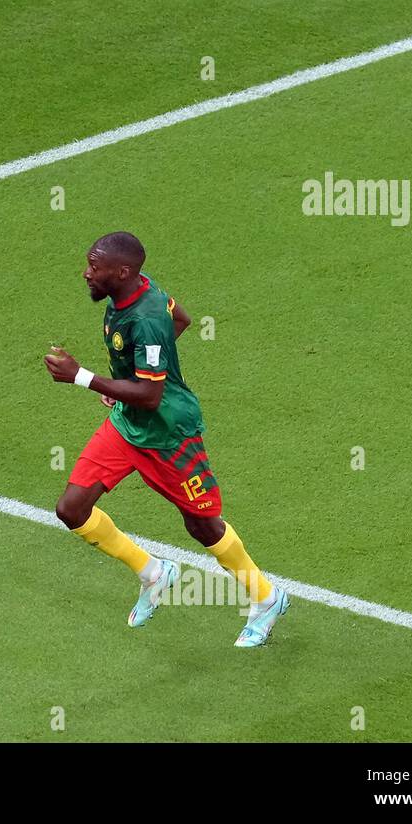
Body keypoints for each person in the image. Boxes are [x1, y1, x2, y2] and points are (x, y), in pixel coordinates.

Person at [44, 231, 288, 647]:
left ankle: (267, 598)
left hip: (169, 435)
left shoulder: (145, 317)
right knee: (72, 508)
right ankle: (153, 572)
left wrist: (82, 377)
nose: (86, 273)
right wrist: (124, 381)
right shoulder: (139, 288)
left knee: (202, 525)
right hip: (127, 426)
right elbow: (183, 319)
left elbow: (152, 394)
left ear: (121, 272)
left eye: (94, 268)